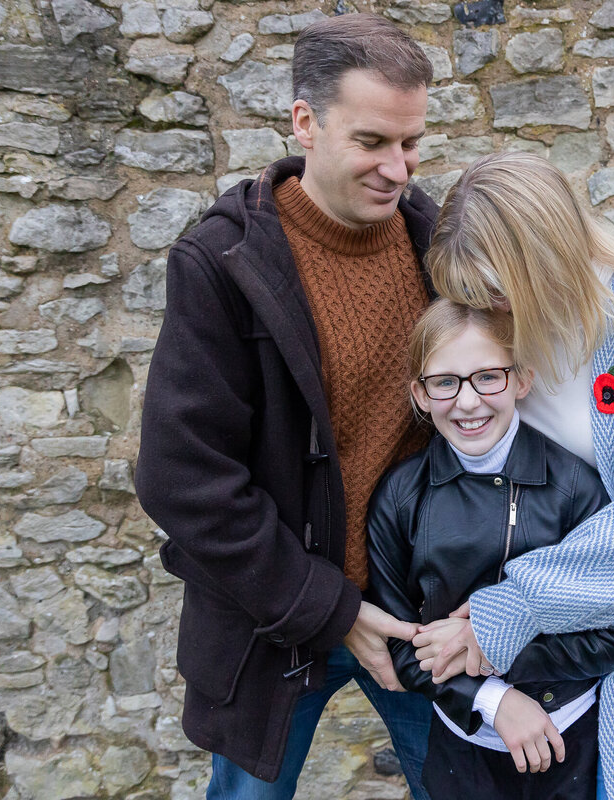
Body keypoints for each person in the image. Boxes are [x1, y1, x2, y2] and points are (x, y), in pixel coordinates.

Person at [134, 14, 439, 799]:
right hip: (275, 620)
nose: (398, 168)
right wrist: (328, 607)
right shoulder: (221, 263)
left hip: (422, 614)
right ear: (305, 121)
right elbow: (182, 478)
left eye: (412, 144)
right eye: (372, 141)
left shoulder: (439, 243)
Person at [411, 151, 614, 799]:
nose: (486, 311)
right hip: (519, 664)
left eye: (497, 291)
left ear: (548, 257)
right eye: (469, 296)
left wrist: (511, 607)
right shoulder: (496, 339)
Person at [365, 300, 614, 799]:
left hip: (570, 735)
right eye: (445, 382)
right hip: (462, 742)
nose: (468, 402)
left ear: (522, 380)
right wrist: (493, 700)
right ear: (419, 395)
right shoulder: (400, 497)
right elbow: (402, 640)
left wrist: (497, 650)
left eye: (487, 376)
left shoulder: (577, 488)